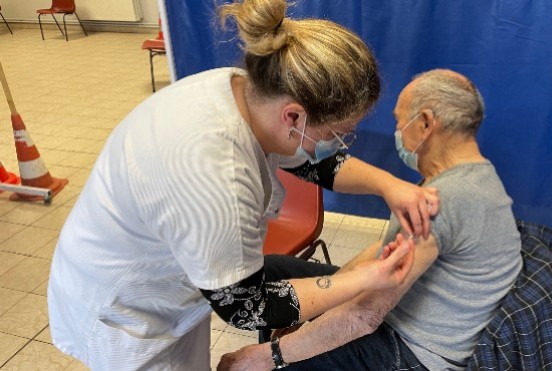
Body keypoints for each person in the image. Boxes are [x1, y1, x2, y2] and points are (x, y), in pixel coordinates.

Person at [46, 1, 439, 370]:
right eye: (338, 134)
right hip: (128, 311)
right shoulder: (217, 175)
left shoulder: (244, 89)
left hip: (170, 275)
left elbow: (315, 161)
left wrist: (389, 185)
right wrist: (362, 279)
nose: (337, 144)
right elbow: (245, 307)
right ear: (293, 116)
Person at [218, 69, 524, 371]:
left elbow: (364, 316)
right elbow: (382, 249)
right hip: (400, 308)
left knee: (273, 362)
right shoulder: (474, 176)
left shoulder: (444, 199)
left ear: (426, 123)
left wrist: (269, 356)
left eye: (399, 120)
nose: (399, 130)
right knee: (272, 271)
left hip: (412, 349)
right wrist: (308, 311)